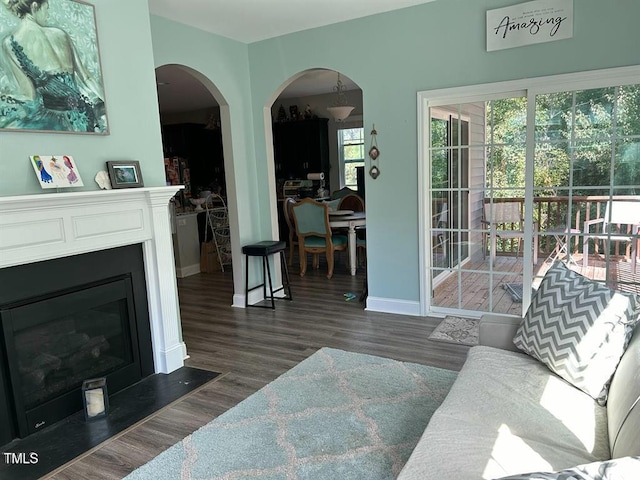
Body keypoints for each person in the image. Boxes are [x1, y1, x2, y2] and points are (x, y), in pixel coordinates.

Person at [0, 0, 106, 132]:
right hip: (83, 116)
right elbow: (87, 78)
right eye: (47, 9)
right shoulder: (61, 34)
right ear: (34, 7)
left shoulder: (10, 43)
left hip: (54, 121)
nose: (47, 14)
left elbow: (30, 95)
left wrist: (7, 98)